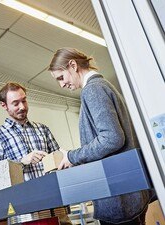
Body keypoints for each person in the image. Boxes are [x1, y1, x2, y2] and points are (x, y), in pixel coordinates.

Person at [48, 47, 152, 225]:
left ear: (73, 65)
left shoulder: (93, 90)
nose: (61, 84)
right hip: (130, 195)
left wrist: (73, 156)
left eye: (61, 77)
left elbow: (111, 138)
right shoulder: (103, 86)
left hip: (120, 200)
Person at [0, 82, 71, 225]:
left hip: (55, 208)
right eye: (15, 103)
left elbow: (60, 163)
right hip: (24, 214)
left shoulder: (43, 129)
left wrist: (65, 157)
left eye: (24, 100)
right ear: (4, 105)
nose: (22, 107)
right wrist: (21, 162)